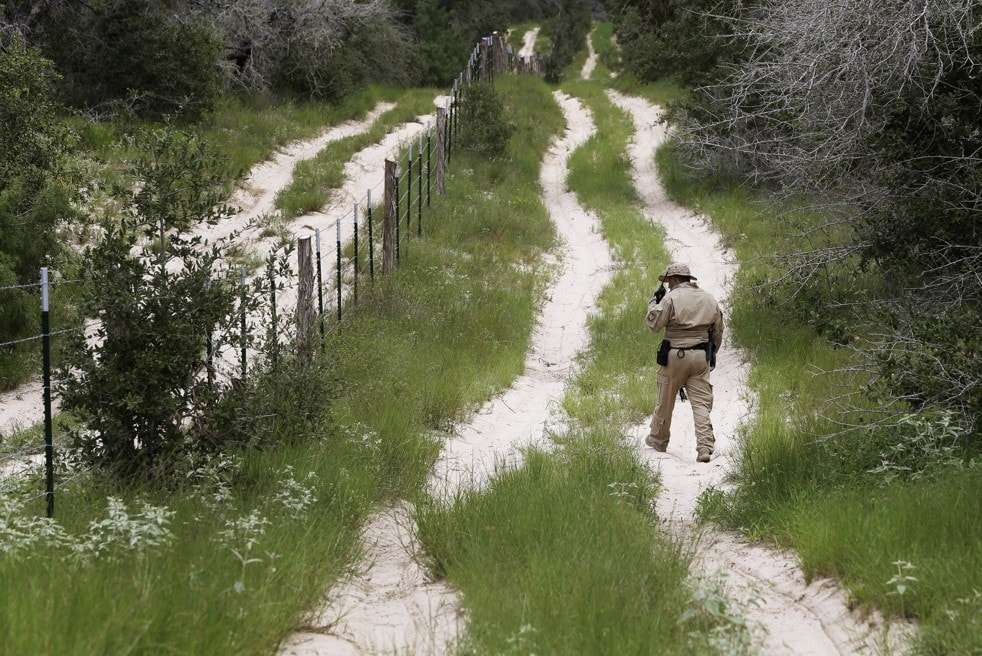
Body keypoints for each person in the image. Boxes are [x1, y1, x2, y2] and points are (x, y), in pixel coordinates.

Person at [644, 263, 724, 463]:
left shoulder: (671, 298)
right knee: (701, 404)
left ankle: (658, 441)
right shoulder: (708, 298)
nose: (668, 285)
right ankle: (705, 447)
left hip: (675, 356)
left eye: (669, 281)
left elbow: (653, 324)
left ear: (675, 279)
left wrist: (653, 303)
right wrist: (710, 351)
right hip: (700, 356)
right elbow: (718, 330)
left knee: (665, 400)